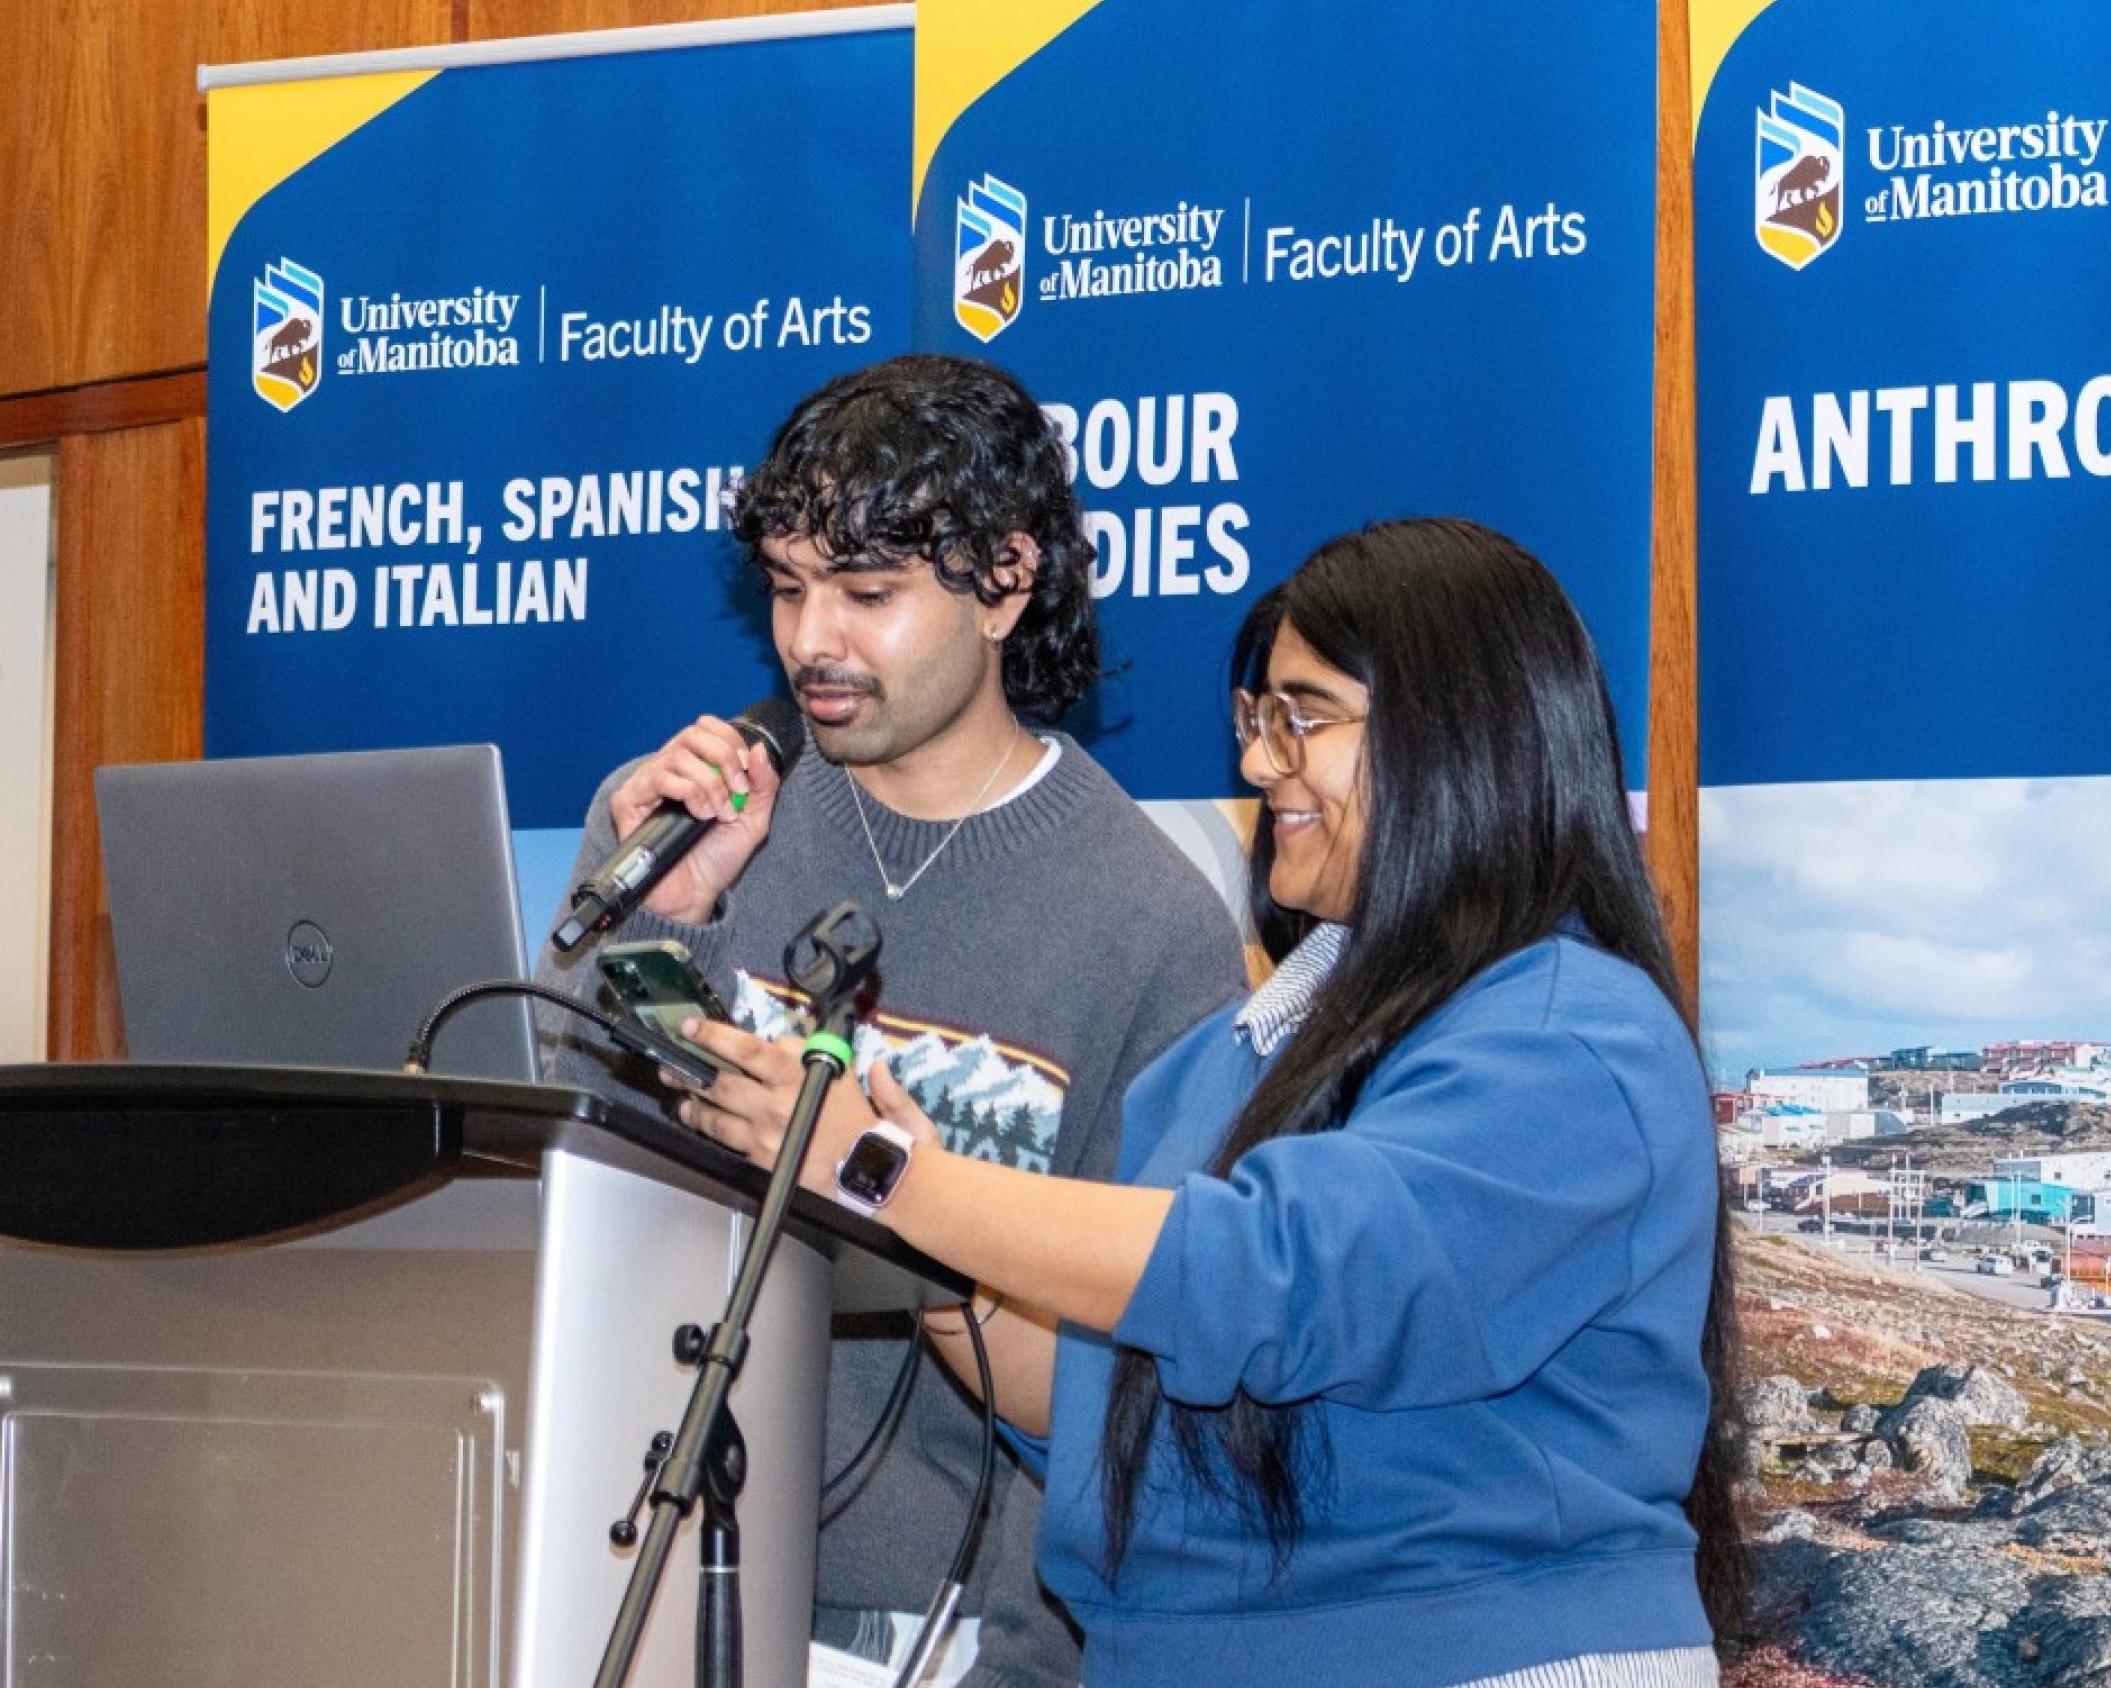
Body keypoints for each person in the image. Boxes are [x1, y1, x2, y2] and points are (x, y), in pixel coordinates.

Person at [681, 517, 1749, 1688]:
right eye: (1258, 719)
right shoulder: (1218, 1063)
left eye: (1303, 717)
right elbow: (1097, 1400)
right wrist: (934, 1262)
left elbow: (1277, 1274)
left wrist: (892, 1174)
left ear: (1458, 735)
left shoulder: (1569, 1031)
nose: (1258, 763)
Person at [533, 353, 1249, 1688]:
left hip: (940, 1626)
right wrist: (672, 917)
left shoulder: (1153, 924)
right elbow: (572, 1182)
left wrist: (1033, 1660)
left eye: (866, 593)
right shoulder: (692, 817)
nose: (813, 639)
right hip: (636, 1555)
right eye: (791, 588)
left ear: (1005, 582)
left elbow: (1140, 1369)